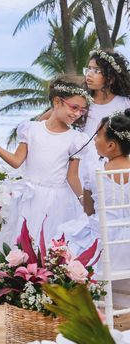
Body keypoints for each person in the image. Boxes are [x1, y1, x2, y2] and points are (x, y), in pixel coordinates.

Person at [0, 77, 90, 247]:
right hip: (30, 198)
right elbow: (16, 161)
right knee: (24, 244)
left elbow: (72, 177)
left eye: (82, 110)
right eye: (74, 107)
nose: (77, 114)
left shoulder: (76, 139)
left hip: (58, 201)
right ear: (57, 102)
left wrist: (82, 200)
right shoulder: (31, 129)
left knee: (52, 246)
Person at [58, 109, 130, 307]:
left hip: (106, 248)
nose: (94, 139)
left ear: (111, 145)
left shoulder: (95, 172)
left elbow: (89, 210)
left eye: (98, 135)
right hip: (128, 245)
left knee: (66, 237)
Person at [79, 50, 130, 213]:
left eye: (97, 70)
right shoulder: (83, 104)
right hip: (83, 168)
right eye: (88, 69)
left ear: (111, 77)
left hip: (113, 169)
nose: (89, 74)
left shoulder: (124, 104)